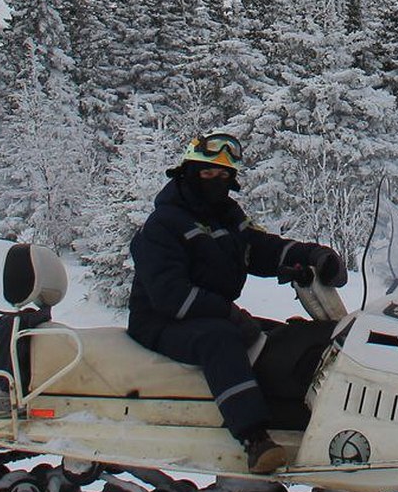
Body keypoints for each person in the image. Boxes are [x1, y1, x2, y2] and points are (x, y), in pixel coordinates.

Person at [127, 132, 348, 474]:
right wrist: (228, 313)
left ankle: (305, 416)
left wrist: (314, 255)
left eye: (224, 175)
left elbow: (261, 248)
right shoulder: (164, 225)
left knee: (286, 338)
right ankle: (255, 440)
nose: (216, 181)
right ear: (188, 172)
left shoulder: (225, 217)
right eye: (207, 173)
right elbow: (169, 295)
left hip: (207, 311)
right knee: (221, 339)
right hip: (160, 320)